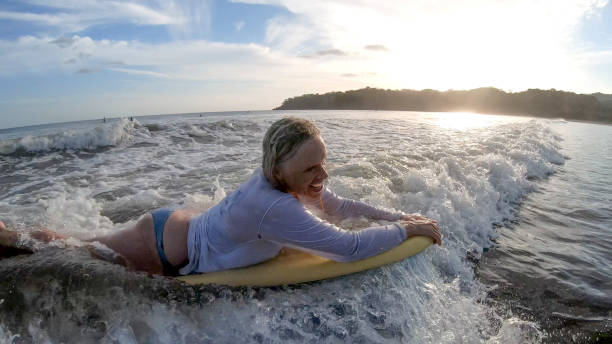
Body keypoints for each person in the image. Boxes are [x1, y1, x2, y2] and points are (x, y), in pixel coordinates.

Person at [0, 117, 441, 276]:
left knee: (79, 242)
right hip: (158, 246)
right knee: (66, 248)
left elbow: (340, 208)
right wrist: (406, 229)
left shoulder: (282, 181)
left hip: (177, 225)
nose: (322, 175)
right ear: (277, 169)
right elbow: (347, 249)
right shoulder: (274, 204)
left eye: (323, 163)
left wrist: (401, 215)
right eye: (311, 168)